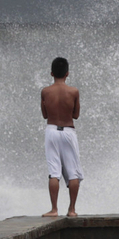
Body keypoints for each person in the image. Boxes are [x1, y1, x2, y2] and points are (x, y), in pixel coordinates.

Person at [41, 57, 84, 217]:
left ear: (51, 73)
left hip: (51, 130)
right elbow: (76, 114)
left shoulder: (45, 91)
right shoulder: (74, 92)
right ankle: (72, 210)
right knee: (73, 172)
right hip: (68, 131)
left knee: (54, 172)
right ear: (67, 73)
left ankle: (54, 209)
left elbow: (45, 115)